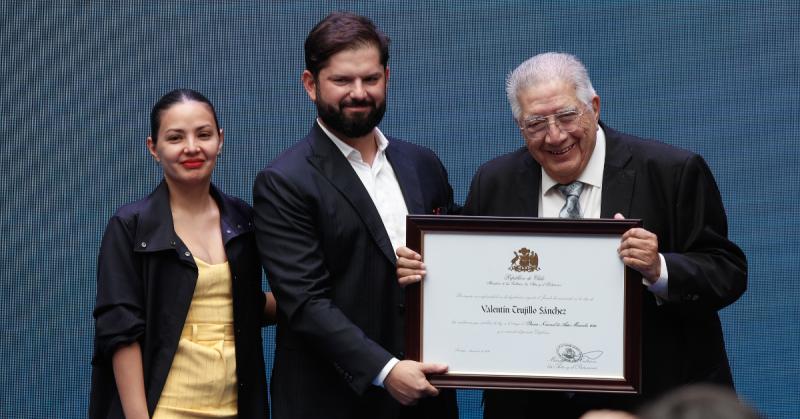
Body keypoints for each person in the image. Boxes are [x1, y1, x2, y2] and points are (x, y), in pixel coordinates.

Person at [397, 52, 747, 418]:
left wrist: (659, 269)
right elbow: (471, 277)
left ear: (594, 107)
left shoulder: (670, 172)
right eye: (535, 124)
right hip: (530, 407)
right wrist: (425, 270)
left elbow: (727, 271)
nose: (555, 135)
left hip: (651, 401)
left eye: (566, 116)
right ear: (519, 126)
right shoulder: (495, 181)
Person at [253, 11, 458, 419]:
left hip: (426, 396)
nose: (359, 92)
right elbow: (305, 303)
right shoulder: (284, 181)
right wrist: (386, 370)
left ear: (387, 77)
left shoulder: (422, 163)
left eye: (371, 79)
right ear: (311, 85)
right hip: (332, 401)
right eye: (342, 81)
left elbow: (459, 260)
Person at [90, 89, 275, 418]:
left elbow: (247, 306)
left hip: (235, 406)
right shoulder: (130, 226)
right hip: (166, 409)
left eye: (203, 134)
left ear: (220, 140)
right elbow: (121, 332)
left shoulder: (242, 219)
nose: (192, 147)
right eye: (175, 137)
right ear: (154, 148)